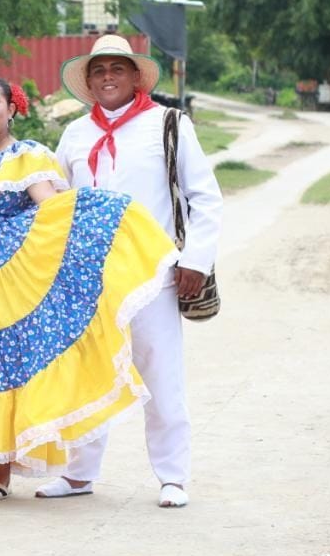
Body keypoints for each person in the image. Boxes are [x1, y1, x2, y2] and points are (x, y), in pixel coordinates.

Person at [0, 76, 177, 499]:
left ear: (11, 108)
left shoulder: (25, 157)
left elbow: (51, 205)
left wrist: (99, 214)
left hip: (2, 280)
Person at [37, 35, 223, 508]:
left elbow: (204, 197)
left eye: (117, 69)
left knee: (161, 375)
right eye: (99, 71)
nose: (107, 78)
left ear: (136, 76)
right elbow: (57, 201)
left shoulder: (168, 125)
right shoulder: (75, 135)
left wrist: (195, 261)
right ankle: (78, 474)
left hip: (153, 275)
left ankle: (172, 476)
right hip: (88, 278)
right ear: (89, 81)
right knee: (85, 375)